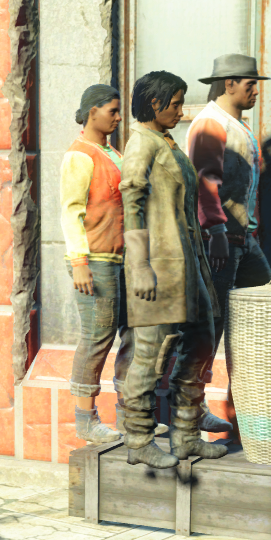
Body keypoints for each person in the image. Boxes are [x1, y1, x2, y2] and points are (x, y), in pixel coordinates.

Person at [117, 70, 228, 469]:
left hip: (188, 265)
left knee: (201, 341)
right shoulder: (141, 144)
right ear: (155, 104)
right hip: (158, 268)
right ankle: (139, 439)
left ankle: (186, 436)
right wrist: (140, 266)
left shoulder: (166, 142)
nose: (182, 111)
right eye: (176, 104)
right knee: (150, 354)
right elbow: (131, 203)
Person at [185, 53, 271, 436]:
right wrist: (217, 233)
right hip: (219, 240)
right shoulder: (211, 124)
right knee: (212, 323)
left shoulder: (238, 125)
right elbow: (205, 183)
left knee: (264, 309)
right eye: (250, 84)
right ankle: (191, 407)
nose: (255, 90)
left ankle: (253, 400)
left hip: (244, 240)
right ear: (229, 84)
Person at [61, 84, 130, 444]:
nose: (118, 118)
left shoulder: (112, 152)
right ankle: (85, 420)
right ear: (93, 113)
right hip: (95, 261)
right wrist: (79, 263)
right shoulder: (79, 156)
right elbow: (71, 212)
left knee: (131, 333)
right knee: (96, 337)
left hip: (121, 258)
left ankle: (131, 417)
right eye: (112, 111)